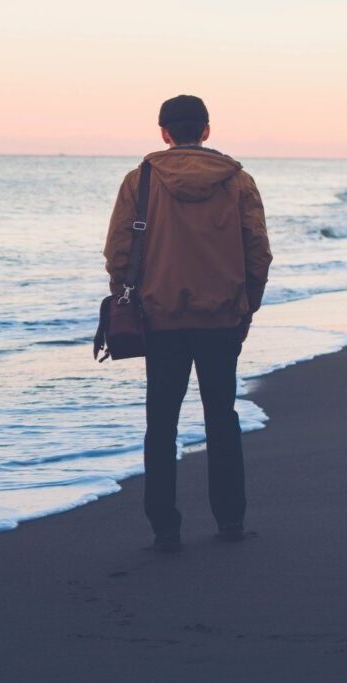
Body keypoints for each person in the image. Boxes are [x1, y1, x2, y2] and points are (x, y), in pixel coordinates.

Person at [103, 94, 272, 552]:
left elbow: (118, 251)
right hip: (221, 318)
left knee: (161, 423)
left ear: (163, 132)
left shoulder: (140, 181)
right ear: (206, 130)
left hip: (160, 319)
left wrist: (129, 293)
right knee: (222, 418)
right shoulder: (238, 181)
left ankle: (165, 528)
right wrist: (246, 307)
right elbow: (258, 251)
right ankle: (231, 522)